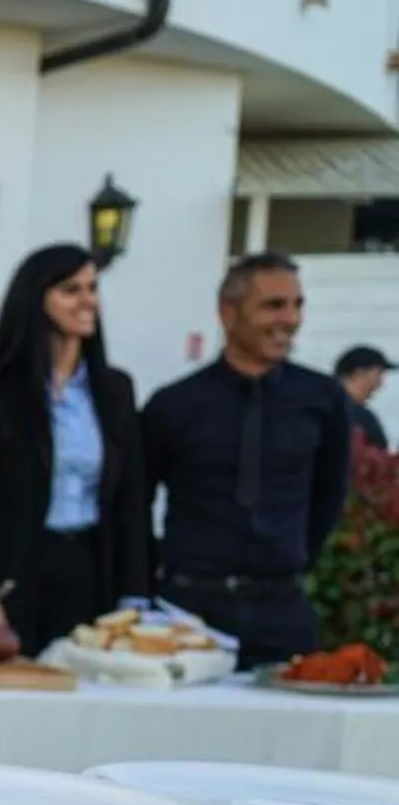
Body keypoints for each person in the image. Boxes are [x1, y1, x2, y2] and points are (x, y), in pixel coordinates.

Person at [143, 253, 352, 666]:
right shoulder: (175, 404)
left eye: (297, 305)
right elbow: (133, 501)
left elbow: (329, 494)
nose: (290, 319)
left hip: (282, 610)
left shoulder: (321, 399)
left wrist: (290, 558)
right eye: (273, 305)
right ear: (228, 312)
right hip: (189, 612)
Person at [0, 244, 150, 653]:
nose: (87, 301)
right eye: (71, 290)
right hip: (16, 569)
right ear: (36, 298)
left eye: (92, 288)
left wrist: (135, 593)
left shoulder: (114, 389)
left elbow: (132, 499)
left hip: (91, 567)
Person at [336, 344, 389, 451]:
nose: (380, 384)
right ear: (359, 374)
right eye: (378, 374)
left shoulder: (314, 408)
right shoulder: (362, 418)